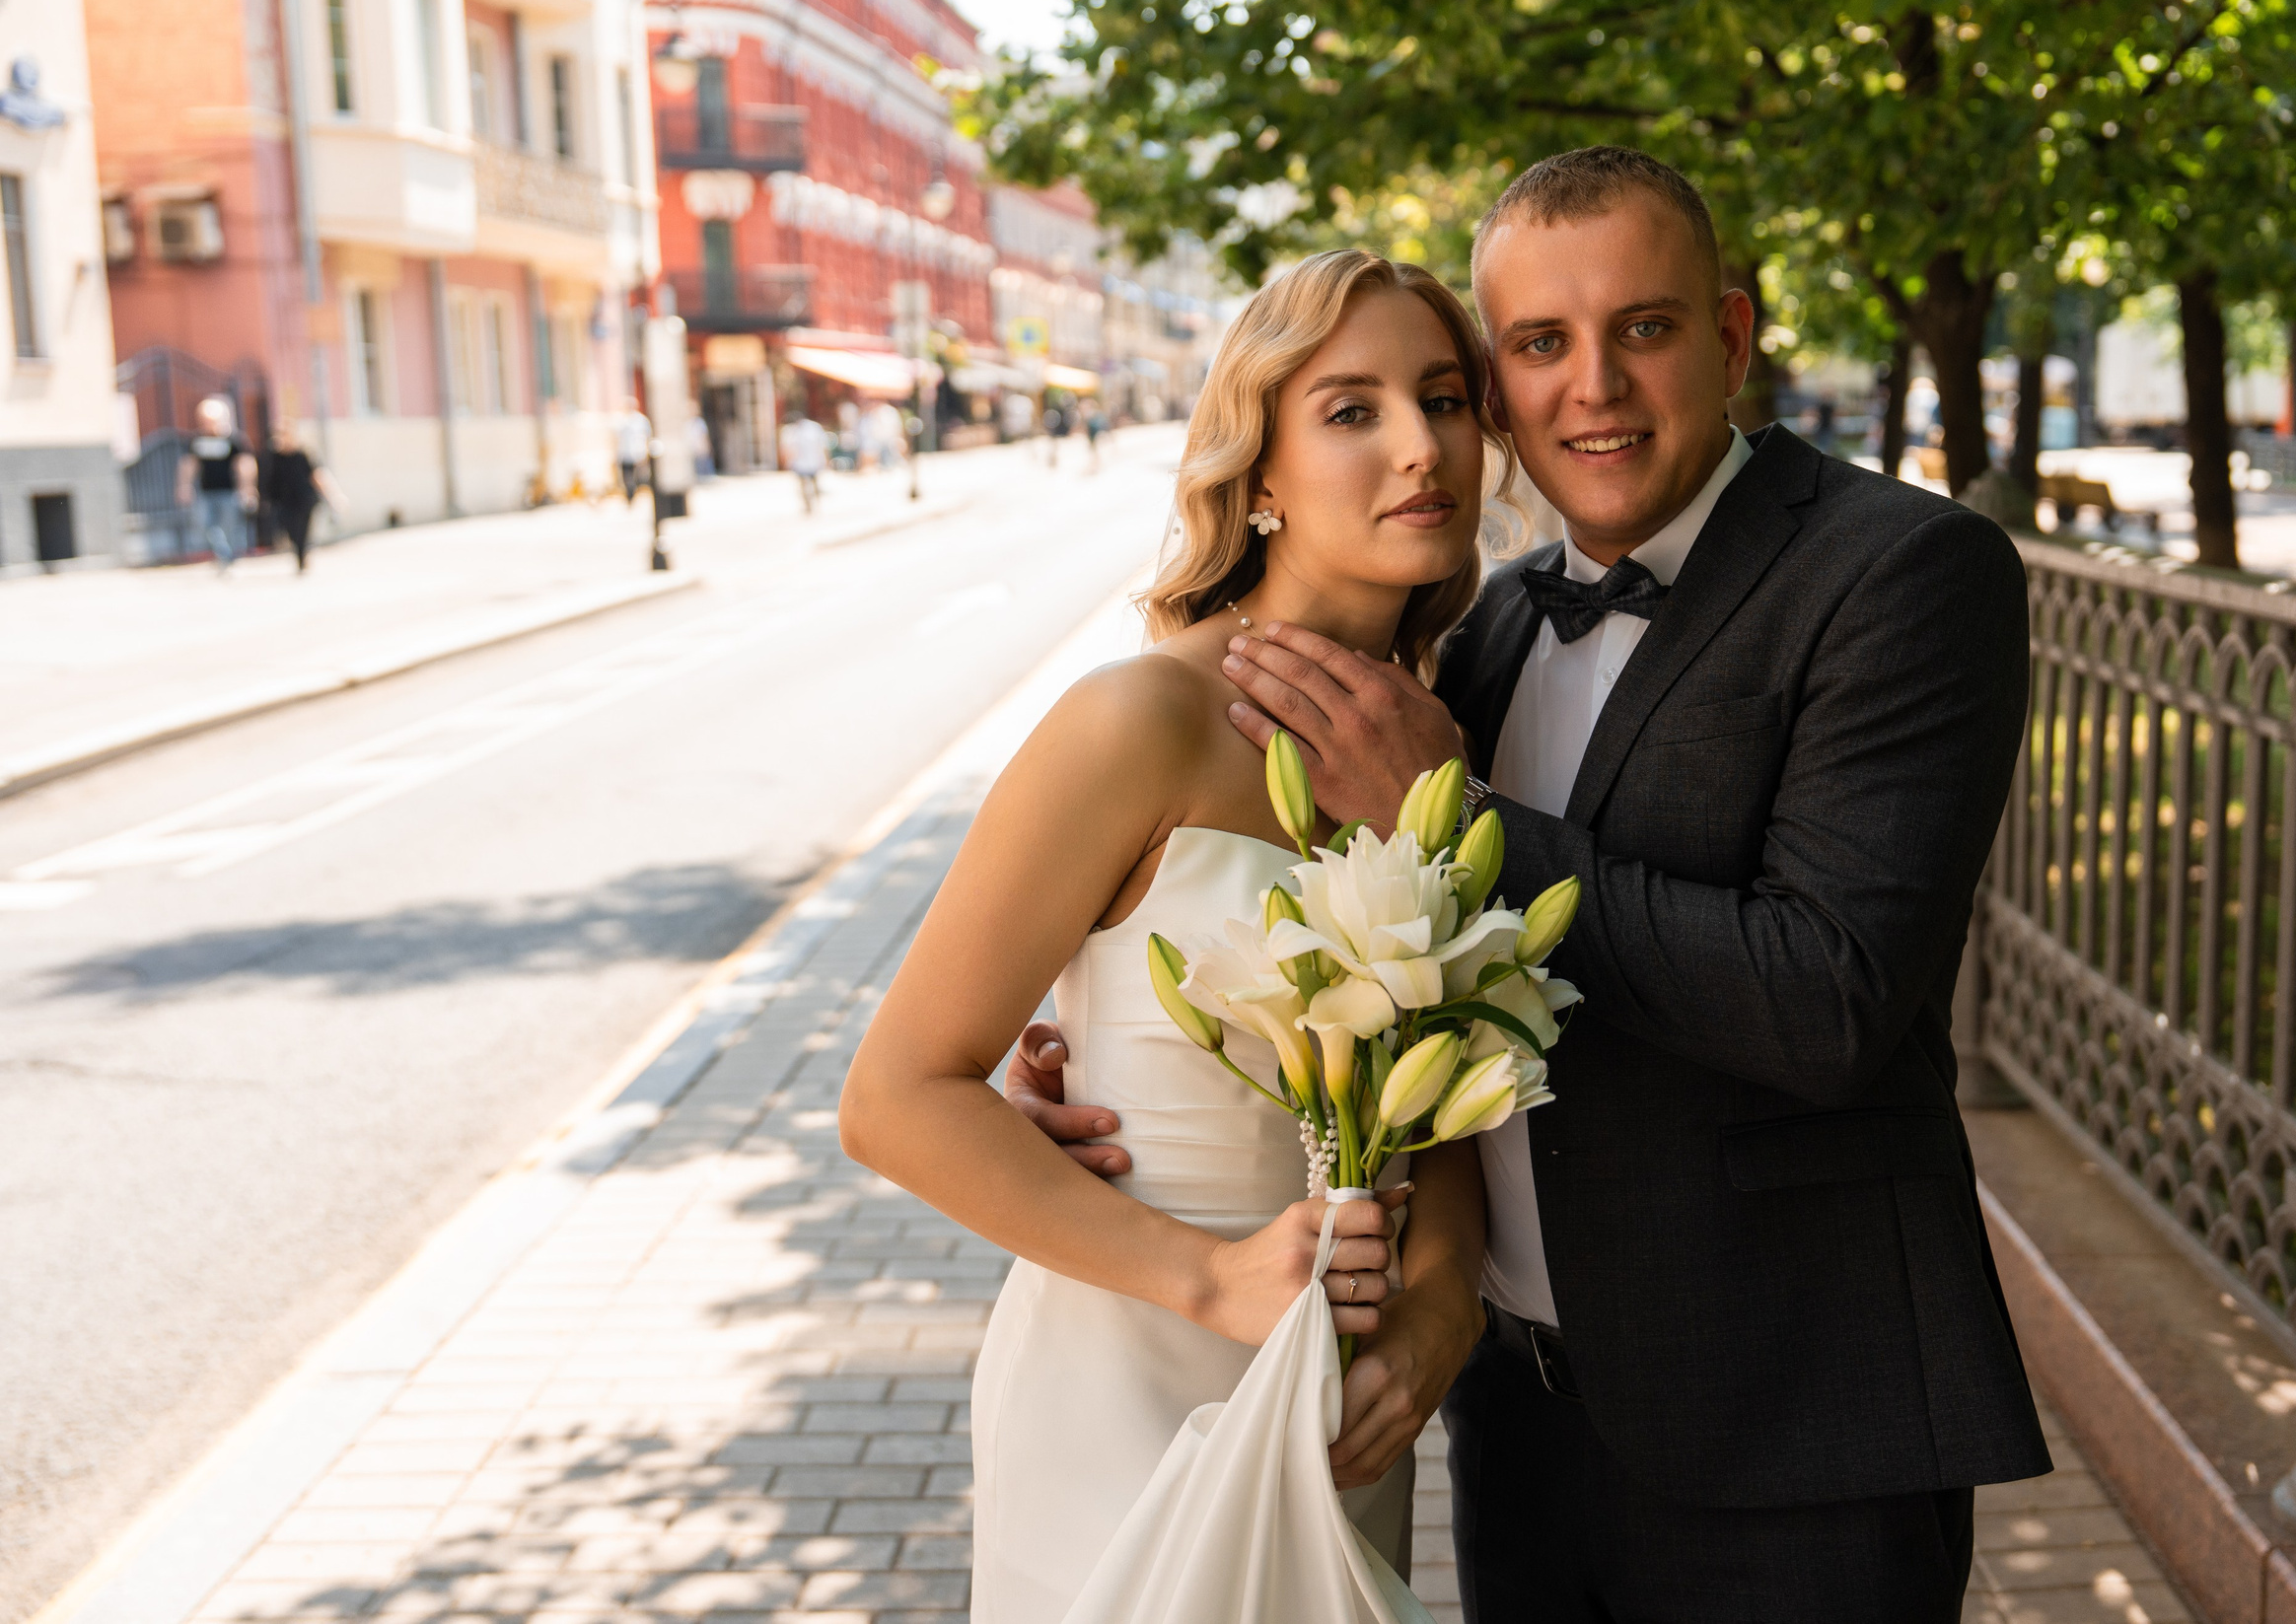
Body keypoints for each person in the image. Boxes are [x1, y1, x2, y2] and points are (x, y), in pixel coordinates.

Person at [1010, 146, 2050, 1621]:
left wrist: (1460, 814)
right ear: (1504, 384)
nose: (1595, 388)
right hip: (1520, 1424)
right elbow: (1411, 1008)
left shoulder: (1904, 570)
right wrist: (1093, 1036)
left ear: (1733, 335)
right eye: (1539, 345)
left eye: (1646, 327)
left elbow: (1831, 996)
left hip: (1794, 1430)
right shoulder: (1479, 639)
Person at [838, 250, 1509, 1623]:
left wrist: (1442, 1308)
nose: (1418, 444)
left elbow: (1440, 1097)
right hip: (1120, 1371)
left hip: (1336, 1401)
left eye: (1443, 397)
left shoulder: (1450, 745)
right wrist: (1208, 1276)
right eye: (1351, 409)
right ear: (1256, 471)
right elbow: (893, 1096)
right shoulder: (1137, 720)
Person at [179, 397, 255, 575]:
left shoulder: (234, 440)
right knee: (205, 525)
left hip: (229, 491)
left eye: (210, 421)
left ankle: (229, 558)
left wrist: (248, 488)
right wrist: (184, 486)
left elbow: (245, 465)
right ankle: (224, 555)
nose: (207, 425)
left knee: (230, 527)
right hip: (206, 492)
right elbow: (189, 464)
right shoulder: (197, 440)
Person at [258, 421, 339, 574]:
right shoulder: (271, 456)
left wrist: (333, 496)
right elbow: (265, 478)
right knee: (291, 531)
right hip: (283, 501)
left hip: (304, 499)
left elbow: (317, 475)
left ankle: (302, 558)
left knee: (304, 531)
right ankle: (300, 554)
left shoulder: (303, 454)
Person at [780, 409, 829, 513]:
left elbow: (822, 445)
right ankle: (809, 506)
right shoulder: (792, 431)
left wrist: (825, 459)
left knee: (814, 484)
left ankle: (816, 503)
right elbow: (789, 448)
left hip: (813, 461)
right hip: (801, 463)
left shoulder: (813, 428)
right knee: (803, 486)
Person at [614, 407, 651, 502]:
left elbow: (647, 436)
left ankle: (637, 495)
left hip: (638, 453)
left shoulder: (641, 420)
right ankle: (630, 496)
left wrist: (646, 451)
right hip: (625, 454)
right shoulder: (621, 420)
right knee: (627, 477)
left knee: (639, 477)